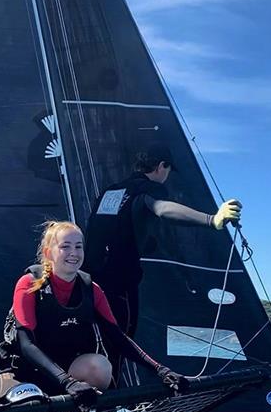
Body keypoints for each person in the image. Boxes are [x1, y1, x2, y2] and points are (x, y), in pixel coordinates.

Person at [0, 221, 186, 412]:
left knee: (100, 366)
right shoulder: (28, 284)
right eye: (65, 246)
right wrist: (68, 383)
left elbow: (118, 338)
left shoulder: (92, 290)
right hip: (23, 371)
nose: (73, 253)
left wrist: (161, 370)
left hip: (63, 372)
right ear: (49, 252)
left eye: (78, 246)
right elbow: (27, 344)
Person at [84, 143, 242, 338]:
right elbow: (161, 208)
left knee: (93, 342)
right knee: (119, 343)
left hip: (87, 282)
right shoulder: (149, 189)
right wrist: (211, 220)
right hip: (119, 284)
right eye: (168, 170)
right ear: (161, 166)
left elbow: (111, 228)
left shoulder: (110, 191)